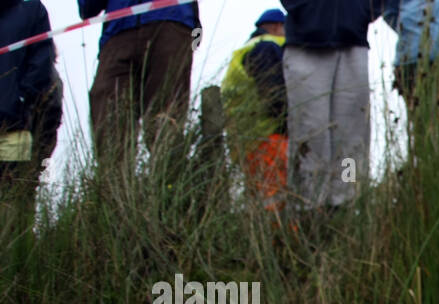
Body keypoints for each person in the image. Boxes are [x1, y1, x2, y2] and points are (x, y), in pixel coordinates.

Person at [282, 0, 383, 211]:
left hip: (353, 42)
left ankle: (347, 201)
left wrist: (364, 10)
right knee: (310, 133)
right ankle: (306, 206)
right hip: (306, 42)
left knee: (351, 137)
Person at [79, 0, 200, 164]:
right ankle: (114, 188)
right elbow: (87, 8)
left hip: (170, 18)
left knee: (165, 120)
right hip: (118, 30)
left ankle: (171, 183)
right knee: (109, 124)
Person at [222, 9, 288, 207]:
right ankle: (280, 237)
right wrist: (289, 126)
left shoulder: (245, 51)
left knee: (262, 198)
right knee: (277, 200)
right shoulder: (266, 48)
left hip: (246, 140)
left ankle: (265, 236)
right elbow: (274, 95)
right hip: (269, 137)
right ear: (278, 27)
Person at [0, 0, 55, 223]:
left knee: (13, 211)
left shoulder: (32, 10)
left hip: (14, 128)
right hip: (17, 121)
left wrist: (21, 102)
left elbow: (42, 65)